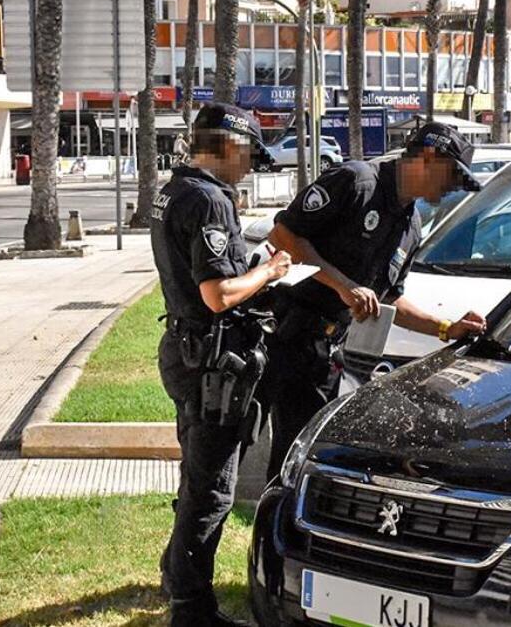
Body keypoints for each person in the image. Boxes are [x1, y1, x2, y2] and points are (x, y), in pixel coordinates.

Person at [260, 121, 490, 480]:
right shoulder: (356, 181)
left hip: (326, 352)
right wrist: (342, 285)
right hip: (281, 336)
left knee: (303, 454)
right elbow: (284, 235)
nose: (450, 189)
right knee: (242, 453)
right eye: (450, 177)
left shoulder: (410, 224)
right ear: (426, 159)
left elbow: (391, 299)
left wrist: (447, 328)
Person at [152, 103, 292, 627]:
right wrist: (272, 270)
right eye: (250, 153)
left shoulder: (175, 190)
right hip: (212, 363)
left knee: (197, 476)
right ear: (227, 147)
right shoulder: (210, 200)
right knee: (212, 491)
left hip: (187, 352)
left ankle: (175, 573)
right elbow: (217, 293)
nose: (252, 164)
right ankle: (191, 610)